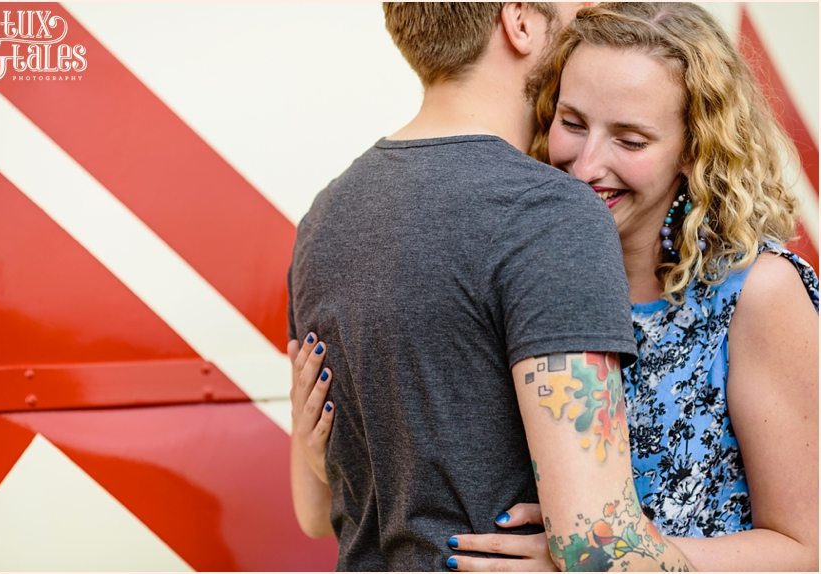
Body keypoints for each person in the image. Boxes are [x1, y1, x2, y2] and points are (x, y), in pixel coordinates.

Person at [289, 2, 819, 572]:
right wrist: (319, 448)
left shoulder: (758, 292)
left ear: (695, 150)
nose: (587, 164)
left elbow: (807, 549)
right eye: (571, 122)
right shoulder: (529, 262)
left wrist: (602, 561)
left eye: (631, 140)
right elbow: (323, 514)